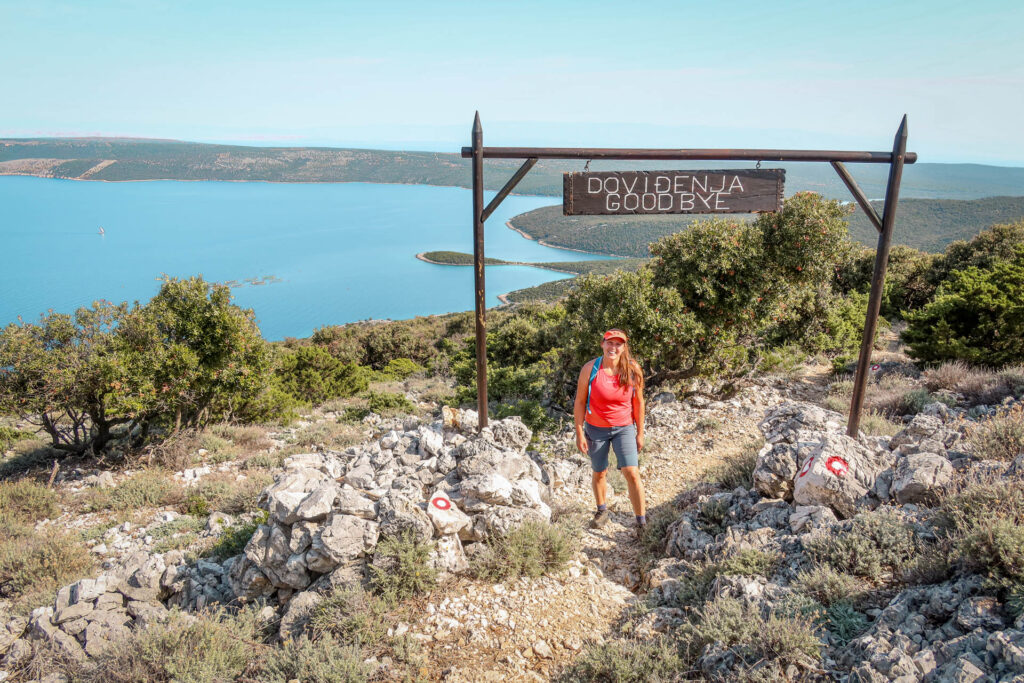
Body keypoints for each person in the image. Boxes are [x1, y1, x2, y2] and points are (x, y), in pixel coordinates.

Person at [572, 328, 647, 538]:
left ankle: (641, 522)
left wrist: (640, 433)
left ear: (624, 347)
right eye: (609, 343)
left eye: (618, 344)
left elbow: (639, 402)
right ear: (602, 344)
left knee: (632, 472)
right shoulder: (590, 369)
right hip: (595, 429)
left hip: (624, 428)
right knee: (600, 471)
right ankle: (601, 510)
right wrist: (579, 432)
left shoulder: (633, 369)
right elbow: (579, 401)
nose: (613, 348)